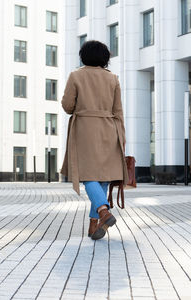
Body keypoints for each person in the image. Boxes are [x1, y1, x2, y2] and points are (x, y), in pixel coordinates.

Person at [60, 40, 128, 240]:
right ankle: (93, 226)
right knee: (103, 178)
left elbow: (67, 106)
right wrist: (122, 138)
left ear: (83, 56)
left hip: (85, 130)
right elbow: (118, 112)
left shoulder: (76, 76)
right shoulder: (113, 79)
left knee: (88, 175)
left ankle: (103, 211)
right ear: (105, 58)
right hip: (110, 129)